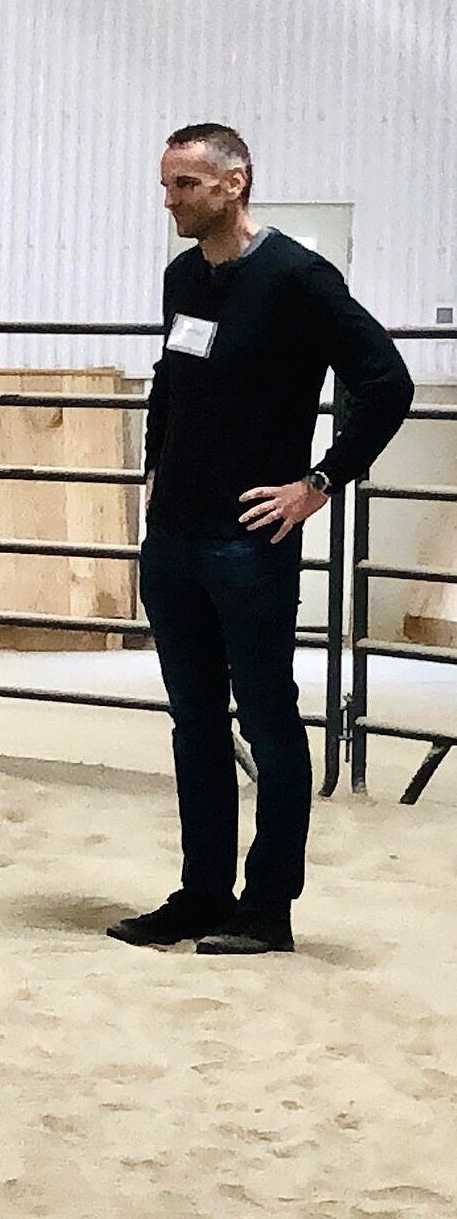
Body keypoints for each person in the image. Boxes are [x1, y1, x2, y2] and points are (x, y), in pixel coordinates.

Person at [109, 123, 413, 955]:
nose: (169, 200)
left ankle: (267, 909)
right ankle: (202, 893)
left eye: (185, 186)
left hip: (249, 540)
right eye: (166, 184)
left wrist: (317, 485)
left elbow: (387, 383)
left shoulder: (300, 280)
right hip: (173, 538)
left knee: (269, 723)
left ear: (233, 183)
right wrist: (153, 467)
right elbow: (172, 378)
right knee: (193, 722)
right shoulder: (183, 277)